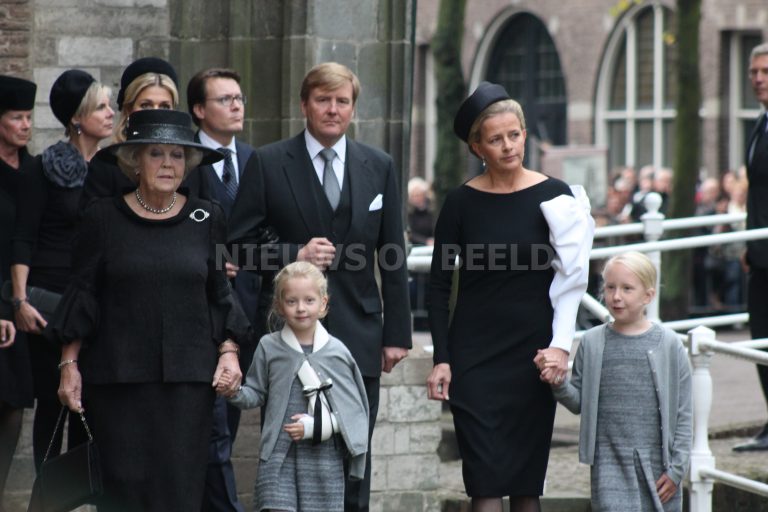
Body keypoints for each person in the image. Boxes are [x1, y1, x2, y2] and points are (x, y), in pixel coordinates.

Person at [228, 61, 411, 512]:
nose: (333, 110)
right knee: (290, 454)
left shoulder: (379, 165)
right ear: (305, 105)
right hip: (289, 336)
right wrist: (294, 254)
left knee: (355, 454)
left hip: (360, 335)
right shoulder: (268, 163)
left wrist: (396, 335)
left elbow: (393, 253)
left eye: (342, 101)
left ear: (353, 108)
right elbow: (235, 250)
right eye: (323, 100)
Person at [52, 109, 247, 511]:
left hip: (187, 388)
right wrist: (68, 365)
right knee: (121, 495)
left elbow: (220, 294)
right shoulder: (101, 217)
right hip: (117, 384)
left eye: (177, 156)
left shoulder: (207, 217)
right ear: (134, 161)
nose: (168, 164)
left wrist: (229, 350)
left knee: (179, 494)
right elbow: (82, 295)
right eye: (156, 154)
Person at [425, 82, 593, 512]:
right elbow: (439, 283)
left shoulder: (557, 195)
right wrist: (441, 358)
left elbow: (573, 280)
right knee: (483, 484)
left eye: (514, 134)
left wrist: (559, 347)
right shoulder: (460, 203)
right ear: (477, 146)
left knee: (525, 487)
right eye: (495, 139)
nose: (508, 146)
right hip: (474, 357)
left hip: (532, 355)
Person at [10, 69, 113, 472]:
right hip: (49, 303)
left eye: (110, 106)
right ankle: (48, 498)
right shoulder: (43, 167)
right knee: (54, 405)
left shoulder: (114, 169)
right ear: (77, 117)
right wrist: (19, 299)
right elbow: (24, 237)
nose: (110, 113)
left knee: (92, 407)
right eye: (101, 107)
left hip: (95, 301)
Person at [542, 251, 692, 511]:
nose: (616, 296)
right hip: (608, 461)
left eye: (627, 288)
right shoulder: (591, 342)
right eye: (610, 287)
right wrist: (558, 382)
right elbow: (579, 401)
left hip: (660, 465)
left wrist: (677, 469)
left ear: (648, 295)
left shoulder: (669, 345)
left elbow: (683, 414)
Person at [226, 261, 369, 512]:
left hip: (323, 462)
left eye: (309, 300)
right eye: (291, 301)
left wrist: (315, 427)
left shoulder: (337, 352)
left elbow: (354, 414)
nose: (301, 308)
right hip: (278, 458)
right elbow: (256, 393)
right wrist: (233, 391)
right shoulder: (269, 347)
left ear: (324, 303)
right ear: (279, 306)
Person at [187, 66, 257, 512]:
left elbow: (265, 235)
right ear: (198, 110)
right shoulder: (184, 160)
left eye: (239, 98)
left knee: (225, 427)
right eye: (224, 99)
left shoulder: (255, 160)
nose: (236, 106)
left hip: (247, 313)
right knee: (201, 433)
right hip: (196, 312)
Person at [80, 56, 208, 208]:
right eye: (146, 105)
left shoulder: (192, 166)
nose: (155, 114)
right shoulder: (106, 166)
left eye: (164, 106)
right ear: (128, 110)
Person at [0, 74, 36, 512]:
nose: (25, 125)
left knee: (12, 405)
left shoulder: (33, 170)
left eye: (29, 116)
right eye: (15, 118)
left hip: (18, 298)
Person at [734, 41, 768, 452]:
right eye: (754, 73)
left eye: (765, 72)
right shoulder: (760, 125)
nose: (758, 79)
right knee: (760, 337)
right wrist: (747, 242)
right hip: (759, 252)